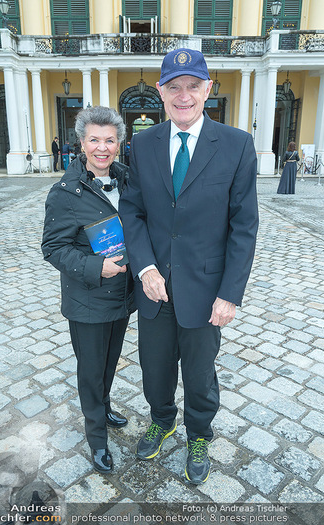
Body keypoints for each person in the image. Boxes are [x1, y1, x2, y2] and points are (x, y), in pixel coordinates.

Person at [119, 48, 259, 485]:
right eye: (174, 87)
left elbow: (244, 226)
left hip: (206, 288)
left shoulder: (236, 144)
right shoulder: (141, 144)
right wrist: (144, 268)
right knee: (154, 366)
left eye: (192, 87)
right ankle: (162, 419)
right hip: (155, 287)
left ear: (207, 90)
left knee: (200, 372)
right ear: (161, 92)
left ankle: (199, 432)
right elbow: (132, 212)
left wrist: (230, 294)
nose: (184, 96)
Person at [42, 106, 135, 474]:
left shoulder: (128, 180)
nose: (102, 148)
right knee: (91, 369)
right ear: (81, 143)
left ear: (118, 144)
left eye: (109, 140)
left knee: (110, 363)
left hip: (123, 296)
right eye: (94, 140)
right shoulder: (64, 193)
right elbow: (53, 248)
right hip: (88, 300)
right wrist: (97, 267)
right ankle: (97, 438)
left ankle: (105, 404)